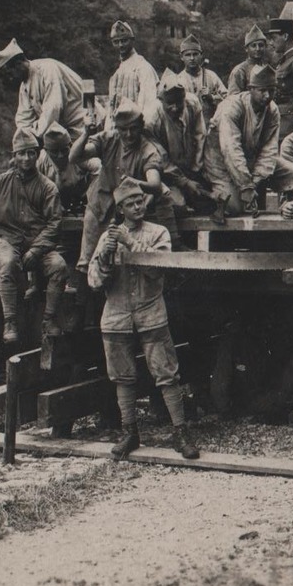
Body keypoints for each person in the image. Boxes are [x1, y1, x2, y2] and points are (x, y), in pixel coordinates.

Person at [86, 177, 198, 460]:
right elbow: (95, 282)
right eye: (130, 203)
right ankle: (130, 432)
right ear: (121, 209)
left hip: (150, 311)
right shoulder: (107, 236)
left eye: (140, 201)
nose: (137, 207)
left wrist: (130, 243)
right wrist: (106, 258)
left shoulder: (158, 232)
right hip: (116, 313)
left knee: (167, 373)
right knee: (122, 376)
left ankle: (180, 432)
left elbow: (157, 270)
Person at [0, 128, 70, 344]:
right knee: (6, 264)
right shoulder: (0, 182)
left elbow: (54, 224)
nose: (26, 158)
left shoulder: (47, 187)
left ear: (37, 155)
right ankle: (10, 321)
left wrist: (36, 249)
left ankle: (48, 319)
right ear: (14, 156)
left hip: (37, 242)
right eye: (21, 153)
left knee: (59, 267)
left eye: (31, 153)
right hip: (6, 238)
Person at [70, 98, 173, 269]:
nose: (129, 134)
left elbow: (155, 185)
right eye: (123, 129)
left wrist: (136, 182)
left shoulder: (148, 150)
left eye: (133, 129)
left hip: (126, 209)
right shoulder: (108, 139)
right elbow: (74, 157)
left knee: (119, 260)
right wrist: (86, 133)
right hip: (100, 203)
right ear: (117, 128)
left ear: (141, 127)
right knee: (88, 261)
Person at [203, 63, 293, 221]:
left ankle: (289, 213)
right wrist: (246, 186)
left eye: (271, 90)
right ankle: (207, 194)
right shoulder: (233, 107)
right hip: (221, 163)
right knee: (235, 207)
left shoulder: (272, 110)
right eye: (262, 90)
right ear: (250, 89)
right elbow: (231, 150)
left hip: (251, 160)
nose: (267, 95)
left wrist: (255, 181)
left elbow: (269, 151)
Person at [0, 38, 88, 139]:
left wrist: (35, 136)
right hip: (64, 134)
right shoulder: (24, 85)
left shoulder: (47, 69)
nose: (10, 78)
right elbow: (23, 118)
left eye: (10, 73)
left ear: (19, 64)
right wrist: (23, 139)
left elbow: (53, 107)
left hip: (84, 128)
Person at [152, 71, 214, 216]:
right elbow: (160, 158)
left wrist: (195, 172)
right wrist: (184, 182)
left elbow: (200, 138)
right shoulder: (152, 118)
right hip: (164, 174)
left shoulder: (192, 104)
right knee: (177, 207)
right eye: (169, 104)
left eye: (179, 102)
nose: (174, 108)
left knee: (211, 203)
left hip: (189, 169)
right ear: (161, 100)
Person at [106, 20, 162, 129]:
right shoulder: (117, 73)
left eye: (124, 41)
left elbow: (149, 106)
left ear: (132, 40)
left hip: (136, 131)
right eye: (116, 42)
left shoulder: (143, 67)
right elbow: (111, 109)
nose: (120, 45)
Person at [39, 121, 90, 215]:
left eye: (64, 150)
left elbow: (99, 169)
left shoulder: (80, 155)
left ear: (71, 146)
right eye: (54, 152)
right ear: (46, 150)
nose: (60, 156)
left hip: (81, 203)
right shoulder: (40, 161)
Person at [176, 34, 226, 106]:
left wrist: (212, 97)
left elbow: (228, 100)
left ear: (201, 55)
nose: (192, 58)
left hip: (212, 116)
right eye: (188, 55)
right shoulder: (178, 81)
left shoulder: (211, 76)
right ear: (181, 57)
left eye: (195, 54)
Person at [226, 24, 271, 94]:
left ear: (265, 47)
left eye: (261, 45)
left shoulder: (267, 68)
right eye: (253, 46)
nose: (258, 49)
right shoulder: (240, 71)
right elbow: (233, 98)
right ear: (246, 49)